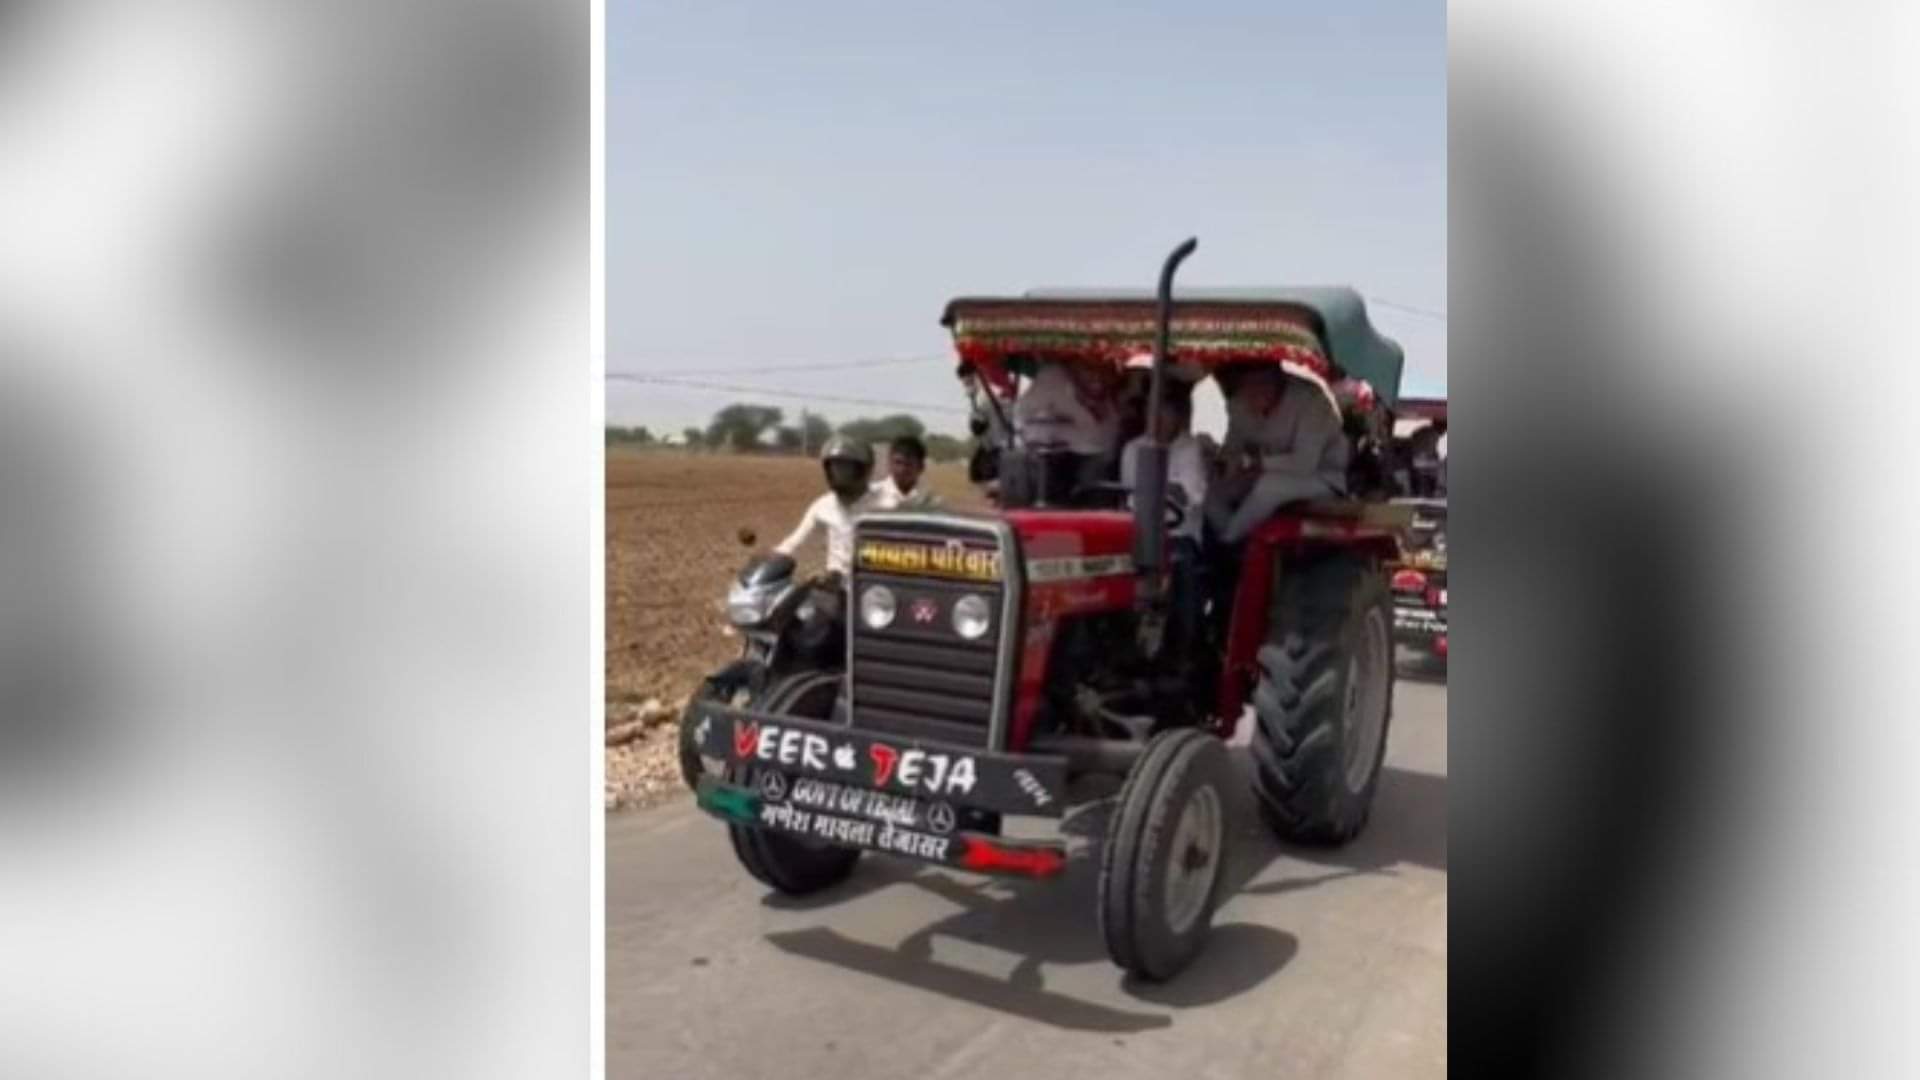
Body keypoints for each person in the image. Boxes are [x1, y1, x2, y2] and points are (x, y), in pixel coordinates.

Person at [1203, 365, 1348, 545]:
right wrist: (1221, 464)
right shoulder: (1238, 404)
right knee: (1208, 488)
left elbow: (1304, 463)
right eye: (1249, 383)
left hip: (1322, 476)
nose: (1256, 389)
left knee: (1269, 485)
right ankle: (1237, 541)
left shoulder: (1311, 399)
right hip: (1263, 472)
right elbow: (1232, 449)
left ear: (1278, 378)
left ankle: (1229, 542)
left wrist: (1256, 463)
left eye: (1262, 381)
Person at [773, 436, 878, 576]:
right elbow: (795, 542)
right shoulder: (823, 506)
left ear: (864, 469)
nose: (838, 473)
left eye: (845, 467)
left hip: (873, 582)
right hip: (835, 581)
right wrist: (773, 557)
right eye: (834, 466)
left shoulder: (885, 506)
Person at [871, 434, 942, 510]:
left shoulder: (933, 503)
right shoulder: (871, 495)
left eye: (909, 464)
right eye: (898, 462)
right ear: (889, 463)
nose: (901, 469)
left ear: (921, 467)